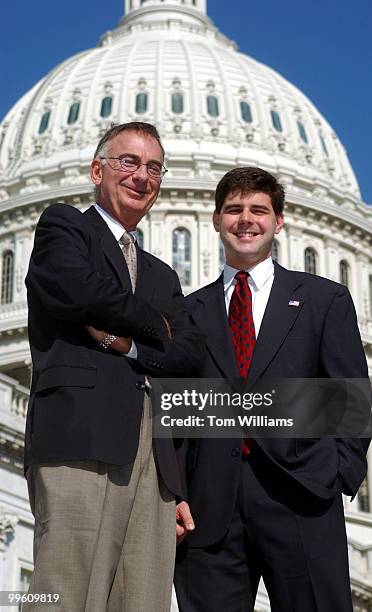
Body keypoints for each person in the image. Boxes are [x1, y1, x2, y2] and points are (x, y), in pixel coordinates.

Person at [24, 122, 204, 612]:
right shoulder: (63, 226)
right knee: (64, 592)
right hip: (80, 436)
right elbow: (74, 288)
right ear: (96, 169)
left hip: (153, 455)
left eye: (153, 168)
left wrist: (126, 344)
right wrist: (156, 327)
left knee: (143, 599)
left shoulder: (163, 274)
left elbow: (187, 356)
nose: (141, 176)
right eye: (128, 161)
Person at [174, 167, 371, 611]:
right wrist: (175, 493)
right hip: (211, 506)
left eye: (259, 210)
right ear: (216, 220)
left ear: (278, 221)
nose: (246, 220)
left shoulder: (324, 300)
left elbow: (351, 401)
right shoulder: (188, 312)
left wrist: (334, 474)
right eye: (234, 209)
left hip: (301, 495)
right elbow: (178, 414)